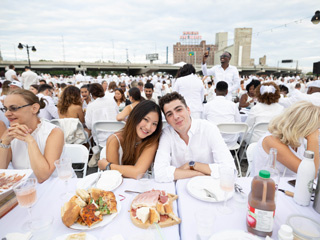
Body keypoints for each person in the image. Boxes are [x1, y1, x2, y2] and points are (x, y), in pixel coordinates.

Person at [154, 92, 235, 182]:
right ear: (167, 121)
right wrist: (198, 174)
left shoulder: (208, 128)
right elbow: (159, 173)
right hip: (180, 188)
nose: (176, 117)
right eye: (169, 114)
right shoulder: (166, 134)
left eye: (179, 110)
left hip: (209, 185)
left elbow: (230, 169)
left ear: (188, 110)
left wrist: (192, 165)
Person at [0, 89, 64, 183]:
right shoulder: (10, 133)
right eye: (6, 109)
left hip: (55, 186)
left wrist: (30, 141)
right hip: (25, 187)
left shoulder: (53, 132)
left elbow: (43, 176)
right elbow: (2, 170)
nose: (6, 114)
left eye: (13, 108)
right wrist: (4, 143)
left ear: (34, 108)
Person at [252, 101, 320, 177]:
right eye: (316, 127)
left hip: (289, 185)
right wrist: (313, 139)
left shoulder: (297, 138)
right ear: (304, 126)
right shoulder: (271, 141)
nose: (317, 131)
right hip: (268, 186)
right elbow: (311, 174)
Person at [98, 100, 162, 179]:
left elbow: (138, 173)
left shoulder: (152, 141)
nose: (148, 127)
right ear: (135, 116)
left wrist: (108, 166)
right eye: (146, 119)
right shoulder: (115, 140)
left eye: (154, 123)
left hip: (143, 187)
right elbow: (114, 177)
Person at [204, 81, 241, 147]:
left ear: (215, 90)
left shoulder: (207, 105)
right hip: (231, 142)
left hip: (213, 142)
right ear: (227, 92)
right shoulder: (233, 105)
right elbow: (238, 123)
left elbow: (204, 122)